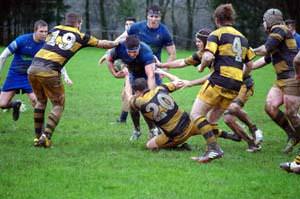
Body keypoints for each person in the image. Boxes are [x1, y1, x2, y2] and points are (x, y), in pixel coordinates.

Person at [27, 12, 119, 148]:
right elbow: (102, 43)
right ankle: (45, 137)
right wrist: (117, 43)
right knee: (58, 104)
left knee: (41, 101)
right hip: (50, 71)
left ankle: (37, 137)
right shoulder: (80, 36)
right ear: (79, 23)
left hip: (33, 68)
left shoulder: (54, 29)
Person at [188, 3, 255, 162]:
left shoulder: (216, 34)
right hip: (236, 85)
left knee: (196, 114)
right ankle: (210, 151)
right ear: (231, 19)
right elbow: (250, 64)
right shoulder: (243, 38)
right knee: (211, 120)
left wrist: (201, 67)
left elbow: (208, 56)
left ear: (217, 19)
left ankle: (214, 149)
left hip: (219, 80)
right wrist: (239, 76)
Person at [0, 20, 73, 121]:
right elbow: (3, 56)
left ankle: (40, 130)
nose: (44, 34)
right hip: (15, 74)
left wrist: (66, 76)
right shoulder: (22, 40)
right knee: (2, 104)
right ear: (35, 31)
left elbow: (56, 60)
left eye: (46, 31)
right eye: (41, 31)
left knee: (36, 101)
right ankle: (15, 104)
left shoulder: (48, 44)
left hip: (31, 76)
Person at [253, 8, 300, 153]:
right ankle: (293, 134)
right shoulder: (278, 38)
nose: (263, 24)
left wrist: (248, 51)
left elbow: (265, 50)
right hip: (281, 79)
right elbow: (266, 59)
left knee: (291, 113)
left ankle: (297, 134)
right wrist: (246, 67)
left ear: (270, 20)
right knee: (270, 106)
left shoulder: (279, 29)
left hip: (292, 77)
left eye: (264, 21)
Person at [106, 35, 160, 140]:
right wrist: (114, 74)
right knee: (132, 104)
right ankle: (137, 130)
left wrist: (151, 94)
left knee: (147, 104)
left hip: (147, 75)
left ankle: (154, 129)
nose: (132, 55)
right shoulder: (119, 48)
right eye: (129, 52)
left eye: (134, 52)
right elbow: (109, 59)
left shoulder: (146, 52)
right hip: (133, 75)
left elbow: (150, 75)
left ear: (139, 47)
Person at [99, 17, 136, 123]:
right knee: (124, 95)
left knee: (127, 94)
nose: (128, 26)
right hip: (128, 67)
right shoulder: (124, 35)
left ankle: (123, 119)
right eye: (126, 24)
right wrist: (105, 55)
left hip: (135, 69)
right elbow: (113, 44)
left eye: (131, 24)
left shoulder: (135, 37)